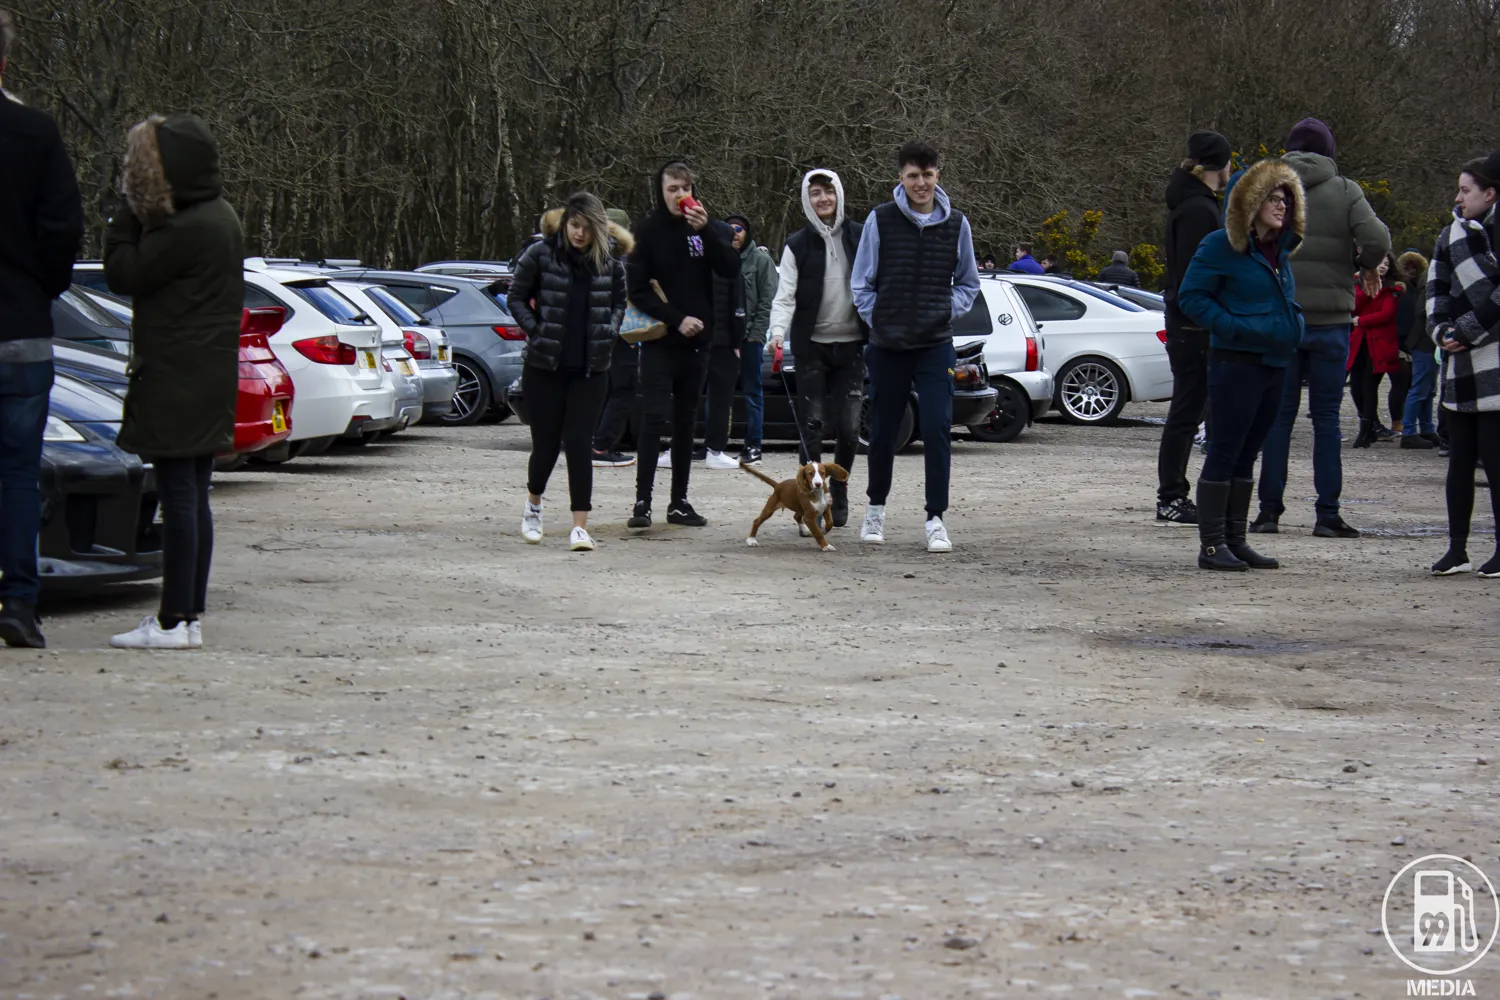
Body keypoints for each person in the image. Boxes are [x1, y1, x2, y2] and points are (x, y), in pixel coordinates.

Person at [104, 113, 244, 650]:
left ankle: (173, 621)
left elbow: (124, 272)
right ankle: (187, 616)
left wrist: (125, 214)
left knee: (179, 497)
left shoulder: (187, 229)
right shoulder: (220, 216)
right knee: (194, 496)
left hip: (176, 375)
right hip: (207, 375)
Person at [1251, 117, 1390, 538]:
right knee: (1327, 419)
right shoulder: (1345, 190)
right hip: (1331, 322)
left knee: (1278, 418)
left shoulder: (1273, 187)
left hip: (1283, 318)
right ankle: (1327, 514)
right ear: (1328, 151)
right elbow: (1378, 239)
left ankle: (1268, 512)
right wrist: (1363, 265)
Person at [0, 11, 85, 649]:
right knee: (18, 474)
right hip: (19, 330)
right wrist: (37, 292)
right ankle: (19, 603)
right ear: (5, 61)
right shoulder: (34, 132)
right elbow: (63, 231)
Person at [851, 141, 981, 552]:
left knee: (938, 426)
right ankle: (875, 510)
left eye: (927, 175)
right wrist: (880, 318)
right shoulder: (880, 219)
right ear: (901, 178)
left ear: (937, 175)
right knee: (884, 430)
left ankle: (935, 518)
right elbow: (861, 282)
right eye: (912, 176)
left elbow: (968, 283)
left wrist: (944, 310)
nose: (920, 183)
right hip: (888, 344)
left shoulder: (957, 224)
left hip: (935, 344)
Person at [1177, 158, 1306, 572]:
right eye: (1273, 197)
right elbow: (1191, 297)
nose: (1282, 205)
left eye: (1286, 198)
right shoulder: (1220, 245)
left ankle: (1236, 539)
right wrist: (1232, 327)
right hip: (1235, 363)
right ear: (1251, 202)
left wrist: (1295, 324)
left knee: (1249, 451)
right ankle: (1212, 545)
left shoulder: (1280, 250)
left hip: (1275, 361)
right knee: (1225, 448)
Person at [507, 193, 629, 552]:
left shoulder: (609, 261)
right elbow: (515, 296)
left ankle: (580, 526)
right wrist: (537, 330)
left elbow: (619, 302)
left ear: (598, 229)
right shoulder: (541, 253)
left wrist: (609, 330)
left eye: (586, 228)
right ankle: (533, 505)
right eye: (574, 226)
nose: (579, 234)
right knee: (545, 445)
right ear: (565, 224)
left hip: (591, 369)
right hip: (544, 366)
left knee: (579, 445)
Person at [624, 160, 740, 529]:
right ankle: (642, 502)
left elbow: (730, 268)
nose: (680, 195)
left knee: (686, 422)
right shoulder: (646, 232)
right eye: (672, 188)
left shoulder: (705, 228)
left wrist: (707, 230)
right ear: (660, 192)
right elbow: (637, 290)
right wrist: (677, 318)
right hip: (660, 340)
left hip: (699, 343)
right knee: (654, 417)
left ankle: (679, 502)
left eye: (685, 188)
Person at [768, 169, 868, 528]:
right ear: (806, 200)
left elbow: (879, 281)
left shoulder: (861, 236)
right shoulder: (797, 244)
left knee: (850, 429)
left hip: (852, 346)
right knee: (812, 427)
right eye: (815, 193)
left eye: (828, 191)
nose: (823, 198)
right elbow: (785, 296)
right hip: (811, 347)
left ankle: (838, 489)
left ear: (839, 194)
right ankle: (810, 499)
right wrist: (777, 332)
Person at [1426, 153, 1500, 578]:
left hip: (1495, 359)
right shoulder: (1450, 235)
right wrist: (1441, 332)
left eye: (1466, 190)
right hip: (1460, 362)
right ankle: (1457, 549)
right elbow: (1435, 289)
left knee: (1495, 459)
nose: (1458, 198)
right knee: (1459, 462)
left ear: (1489, 194)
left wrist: (1468, 329)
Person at [1155, 130, 1232, 527]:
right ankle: (1171, 496)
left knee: (1190, 410)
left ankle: (1174, 493)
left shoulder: (1192, 204)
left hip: (1187, 321)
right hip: (1192, 324)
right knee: (1187, 410)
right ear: (1221, 164)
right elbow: (1196, 274)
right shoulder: (1199, 211)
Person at [724, 213, 778, 466]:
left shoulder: (760, 260)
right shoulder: (719, 258)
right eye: (729, 229)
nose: (734, 234)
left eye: (739, 229)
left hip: (749, 339)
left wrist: (756, 335)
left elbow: (767, 302)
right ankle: (714, 445)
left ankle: (754, 445)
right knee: (717, 392)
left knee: (752, 392)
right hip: (723, 339)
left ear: (747, 233)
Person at [591, 207, 641, 468]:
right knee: (624, 388)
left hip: (596, 333)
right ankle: (602, 446)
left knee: (604, 389)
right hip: (621, 332)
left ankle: (593, 443)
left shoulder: (590, 253)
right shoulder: (622, 258)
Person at [697, 230, 746, 469]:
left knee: (686, 399)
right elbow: (738, 309)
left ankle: (676, 448)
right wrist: (737, 342)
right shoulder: (731, 268)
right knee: (721, 400)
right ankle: (715, 451)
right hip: (724, 343)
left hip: (696, 340)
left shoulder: (695, 265)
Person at [1347, 252, 1402, 448]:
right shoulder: (1358, 284)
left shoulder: (1392, 288)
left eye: (1386, 263)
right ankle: (1370, 425)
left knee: (1369, 385)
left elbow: (1386, 314)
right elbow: (1353, 306)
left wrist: (1361, 321)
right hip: (1359, 342)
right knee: (1356, 385)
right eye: (1380, 262)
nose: (1383, 266)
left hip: (1379, 343)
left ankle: (1367, 428)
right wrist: (1365, 286)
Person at [1396, 250, 1440, 449]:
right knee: (1421, 387)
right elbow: (1422, 311)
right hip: (1424, 340)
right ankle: (1409, 432)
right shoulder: (1430, 282)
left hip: (1427, 340)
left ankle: (1426, 428)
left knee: (1428, 389)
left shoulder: (1426, 281)